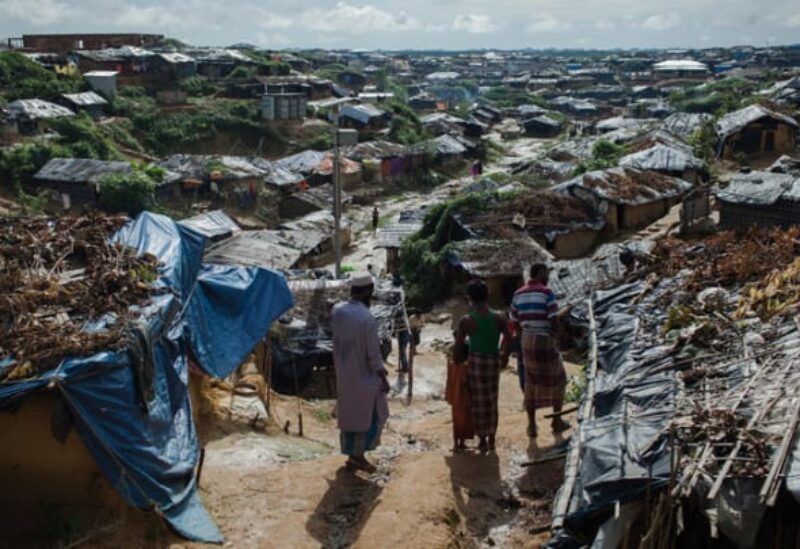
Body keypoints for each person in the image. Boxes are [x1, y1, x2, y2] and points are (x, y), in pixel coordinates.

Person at [332, 273, 391, 473]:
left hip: (343, 374)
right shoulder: (367, 318)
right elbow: (373, 354)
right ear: (368, 292)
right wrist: (382, 376)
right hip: (363, 376)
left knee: (350, 414)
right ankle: (358, 456)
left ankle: (352, 455)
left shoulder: (338, 310)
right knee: (371, 414)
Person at [510, 264, 569, 439]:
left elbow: (514, 321)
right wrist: (558, 337)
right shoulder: (546, 292)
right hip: (544, 338)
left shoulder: (518, 294)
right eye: (546, 273)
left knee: (531, 382)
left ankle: (531, 425)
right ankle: (556, 420)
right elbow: (552, 319)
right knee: (559, 379)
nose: (549, 276)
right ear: (540, 274)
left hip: (527, 341)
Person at [455, 279, 511, 452]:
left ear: (469, 298)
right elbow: (509, 338)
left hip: (476, 362)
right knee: (492, 400)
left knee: (478, 402)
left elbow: (458, 346)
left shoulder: (466, 320)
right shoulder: (500, 317)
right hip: (493, 361)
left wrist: (457, 362)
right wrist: (504, 357)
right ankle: (492, 437)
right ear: (488, 295)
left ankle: (482, 440)